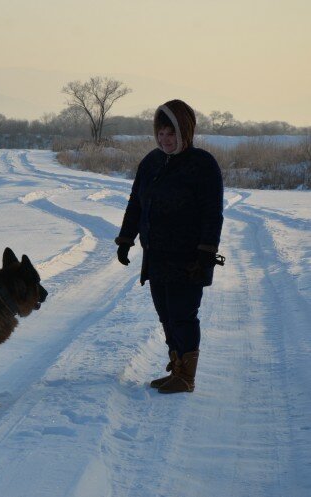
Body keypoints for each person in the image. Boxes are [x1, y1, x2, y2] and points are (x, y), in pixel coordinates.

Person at [115, 99, 224, 394]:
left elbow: (212, 213)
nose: (165, 140)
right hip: (157, 256)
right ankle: (177, 367)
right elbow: (136, 203)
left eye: (171, 134)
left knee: (182, 315)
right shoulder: (151, 162)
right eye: (160, 134)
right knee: (165, 314)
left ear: (185, 132)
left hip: (188, 258)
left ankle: (186, 377)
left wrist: (205, 253)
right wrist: (126, 239)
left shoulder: (202, 165)